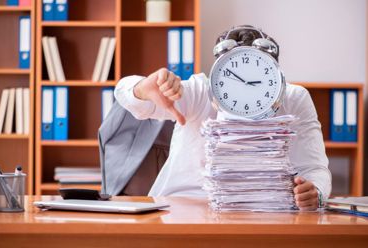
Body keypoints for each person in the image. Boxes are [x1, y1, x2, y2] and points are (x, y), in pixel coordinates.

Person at [114, 25, 332, 211]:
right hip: (185, 208)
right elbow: (125, 92)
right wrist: (141, 88)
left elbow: (316, 169)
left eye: (258, 74)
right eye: (234, 75)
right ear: (218, 72)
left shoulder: (295, 98)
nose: (246, 87)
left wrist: (316, 193)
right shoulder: (199, 91)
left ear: (275, 73)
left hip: (263, 212)